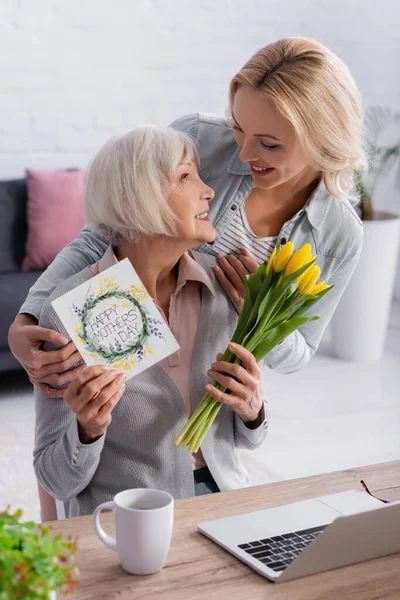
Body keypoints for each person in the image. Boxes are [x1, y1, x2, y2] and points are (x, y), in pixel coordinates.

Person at [9, 37, 366, 397]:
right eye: (239, 127)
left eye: (269, 144)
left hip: (207, 393)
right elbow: (105, 233)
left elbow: (298, 355)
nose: (244, 153)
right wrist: (28, 316)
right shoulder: (197, 139)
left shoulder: (339, 235)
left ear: (324, 140)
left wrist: (259, 315)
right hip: (126, 349)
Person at [34, 126, 269, 516]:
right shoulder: (67, 310)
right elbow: (54, 480)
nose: (207, 191)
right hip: (130, 519)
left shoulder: (226, 288)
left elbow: (249, 441)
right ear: (135, 199)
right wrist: (86, 430)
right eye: (184, 176)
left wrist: (252, 408)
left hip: (227, 503)